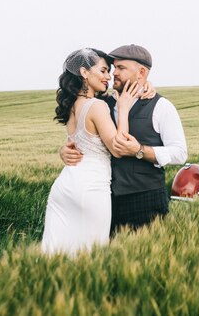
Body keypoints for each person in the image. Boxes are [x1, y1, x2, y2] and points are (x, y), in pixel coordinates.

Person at [60, 44, 187, 232]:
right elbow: (84, 131)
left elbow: (180, 153)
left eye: (121, 68)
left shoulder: (162, 106)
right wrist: (64, 150)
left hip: (145, 198)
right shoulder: (102, 103)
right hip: (104, 198)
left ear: (141, 72)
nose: (113, 74)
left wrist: (140, 151)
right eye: (112, 68)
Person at [41, 48, 140, 255]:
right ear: (85, 73)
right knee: (89, 254)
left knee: (55, 254)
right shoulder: (96, 106)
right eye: (103, 71)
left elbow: (76, 143)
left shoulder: (71, 105)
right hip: (91, 189)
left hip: (64, 186)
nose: (108, 76)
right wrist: (123, 109)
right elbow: (118, 148)